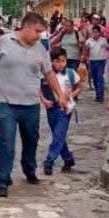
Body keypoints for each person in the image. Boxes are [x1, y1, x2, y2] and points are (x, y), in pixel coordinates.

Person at [0, 12, 68, 198]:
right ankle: (2, 180)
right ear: (26, 27)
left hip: (30, 104)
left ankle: (29, 168)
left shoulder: (41, 49)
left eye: (42, 32)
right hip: (6, 103)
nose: (39, 36)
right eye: (37, 31)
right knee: (7, 142)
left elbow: (49, 74)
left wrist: (60, 95)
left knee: (31, 140)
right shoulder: (4, 42)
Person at [40, 47, 81, 175]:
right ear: (51, 61)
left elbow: (79, 87)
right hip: (51, 108)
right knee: (58, 135)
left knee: (59, 135)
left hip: (65, 109)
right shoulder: (46, 75)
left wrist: (71, 95)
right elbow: (38, 87)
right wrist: (43, 100)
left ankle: (49, 161)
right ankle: (68, 158)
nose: (60, 64)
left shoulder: (70, 73)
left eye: (63, 61)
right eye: (57, 61)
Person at [83, 25, 109, 102]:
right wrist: (85, 58)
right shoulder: (88, 41)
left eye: (97, 32)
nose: (95, 34)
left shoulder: (103, 40)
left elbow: (108, 48)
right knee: (94, 78)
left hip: (101, 60)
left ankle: (101, 95)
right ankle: (97, 94)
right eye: (93, 32)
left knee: (99, 77)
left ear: (99, 33)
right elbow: (85, 50)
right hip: (92, 61)